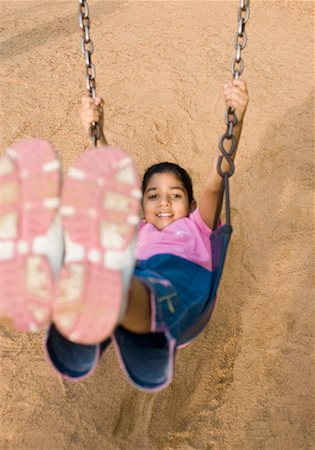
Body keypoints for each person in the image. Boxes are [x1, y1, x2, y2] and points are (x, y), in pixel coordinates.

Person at [0, 80, 249, 392]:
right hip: (138, 278)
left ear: (192, 205)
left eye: (175, 195)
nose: (164, 203)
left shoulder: (200, 225)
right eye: (153, 196)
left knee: (132, 282)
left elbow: (215, 182)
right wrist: (97, 131)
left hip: (181, 281)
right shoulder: (139, 229)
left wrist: (235, 120)